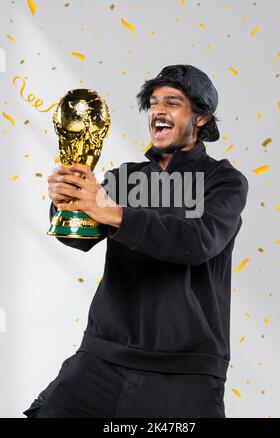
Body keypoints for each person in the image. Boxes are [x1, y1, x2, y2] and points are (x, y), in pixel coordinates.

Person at [23, 64, 248, 418]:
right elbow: (80, 239)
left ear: (201, 117)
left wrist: (112, 211)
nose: (158, 110)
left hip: (185, 371)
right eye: (154, 102)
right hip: (102, 357)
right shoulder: (124, 178)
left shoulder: (224, 181)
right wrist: (66, 202)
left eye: (172, 103)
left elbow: (197, 242)